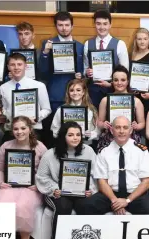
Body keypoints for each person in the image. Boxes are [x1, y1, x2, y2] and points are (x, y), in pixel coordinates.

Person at [0, 116, 48, 239]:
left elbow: (47, 171)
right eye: (16, 129)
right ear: (12, 130)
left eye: (23, 128)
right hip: (9, 185)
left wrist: (38, 184)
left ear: (30, 129)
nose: (19, 132)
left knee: (22, 206)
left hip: (32, 188)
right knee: (1, 203)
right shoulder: (6, 146)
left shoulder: (39, 147)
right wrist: (0, 182)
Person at [36, 121, 98, 239]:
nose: (75, 138)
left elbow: (96, 174)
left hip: (81, 192)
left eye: (78, 135)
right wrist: (54, 189)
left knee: (87, 206)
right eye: (70, 135)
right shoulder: (50, 154)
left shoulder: (88, 151)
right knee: (63, 206)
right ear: (63, 136)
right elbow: (42, 177)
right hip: (57, 193)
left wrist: (92, 189)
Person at [79, 116, 149, 215]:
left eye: (125, 127)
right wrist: (115, 201)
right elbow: (102, 181)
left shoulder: (141, 151)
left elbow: (147, 182)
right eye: (117, 127)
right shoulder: (104, 151)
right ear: (111, 130)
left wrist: (127, 201)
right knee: (86, 206)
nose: (121, 131)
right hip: (111, 194)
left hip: (134, 194)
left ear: (131, 130)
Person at [39, 12, 85, 146]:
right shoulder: (48, 44)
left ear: (72, 26)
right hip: (56, 95)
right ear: (56, 26)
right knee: (54, 135)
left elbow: (82, 70)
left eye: (66, 25)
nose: (64, 28)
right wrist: (45, 53)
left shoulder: (80, 46)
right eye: (60, 25)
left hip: (76, 96)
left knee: (74, 133)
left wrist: (80, 75)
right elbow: (42, 72)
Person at [0, 53, 52, 142]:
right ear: (8, 67)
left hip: (33, 130)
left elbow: (47, 109)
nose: (16, 68)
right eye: (13, 65)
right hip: (11, 131)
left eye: (19, 64)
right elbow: (4, 109)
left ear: (26, 66)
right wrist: (5, 115)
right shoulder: (3, 87)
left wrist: (35, 118)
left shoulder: (39, 86)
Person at [84, 10, 130, 107]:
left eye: (105, 24)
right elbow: (85, 68)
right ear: (94, 25)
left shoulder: (120, 44)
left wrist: (111, 84)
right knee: (95, 119)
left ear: (110, 25)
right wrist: (87, 72)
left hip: (113, 90)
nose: (102, 27)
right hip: (93, 91)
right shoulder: (88, 44)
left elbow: (125, 71)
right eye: (98, 24)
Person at [96, 66, 145, 152]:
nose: (119, 83)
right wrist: (103, 124)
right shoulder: (105, 100)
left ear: (128, 82)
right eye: (116, 80)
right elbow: (99, 122)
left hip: (130, 137)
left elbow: (142, 123)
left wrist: (137, 126)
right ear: (112, 82)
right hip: (109, 137)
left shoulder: (136, 101)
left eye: (123, 80)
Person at [50, 79, 99, 146]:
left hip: (85, 145)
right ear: (68, 92)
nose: (75, 93)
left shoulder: (91, 110)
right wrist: (63, 135)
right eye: (72, 90)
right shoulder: (61, 110)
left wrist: (90, 135)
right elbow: (54, 131)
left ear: (83, 92)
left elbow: (97, 132)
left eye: (78, 90)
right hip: (65, 146)